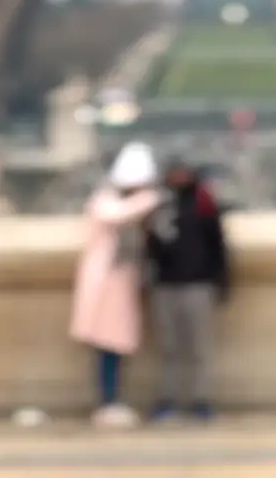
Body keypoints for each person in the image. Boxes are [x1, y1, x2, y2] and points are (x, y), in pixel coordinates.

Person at [69, 140, 164, 428]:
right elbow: (115, 214)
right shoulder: (106, 201)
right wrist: (150, 198)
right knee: (107, 349)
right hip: (106, 286)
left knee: (115, 349)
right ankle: (108, 401)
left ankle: (112, 400)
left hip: (120, 286)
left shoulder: (119, 202)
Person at [146, 157, 230, 422]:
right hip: (166, 285)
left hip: (198, 283)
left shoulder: (205, 205)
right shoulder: (160, 207)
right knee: (169, 347)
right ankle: (168, 398)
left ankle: (200, 399)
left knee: (199, 347)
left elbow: (218, 245)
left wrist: (221, 280)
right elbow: (151, 248)